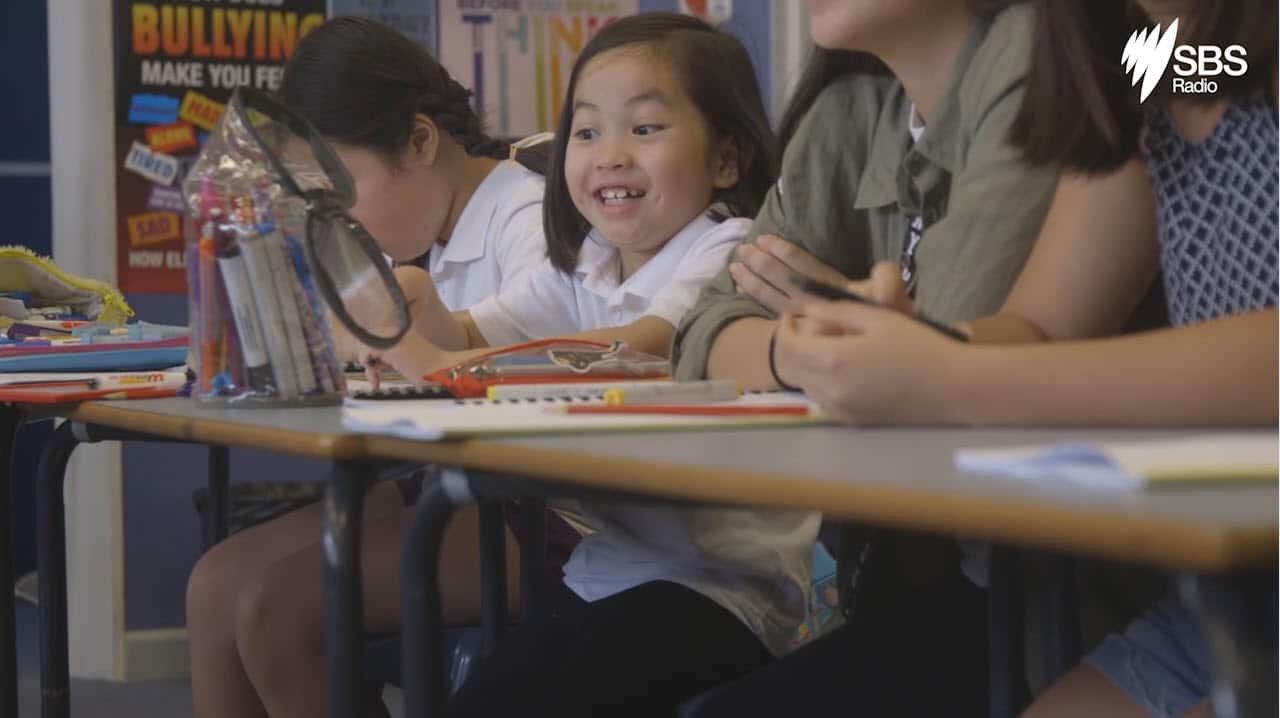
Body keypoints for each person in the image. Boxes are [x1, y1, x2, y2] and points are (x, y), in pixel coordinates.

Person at [763, 2, 1275, 717]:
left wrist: (949, 376)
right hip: (1228, 608)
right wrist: (891, 346)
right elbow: (1040, 325)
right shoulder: (1155, 64)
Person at [350, 13, 801, 717]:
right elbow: (473, 331)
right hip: (605, 572)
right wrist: (408, 300)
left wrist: (437, 361)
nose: (610, 155)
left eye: (645, 129)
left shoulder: (729, 250)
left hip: (723, 590)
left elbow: (632, 354)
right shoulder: (583, 264)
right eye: (587, 132)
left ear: (726, 160)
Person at [671, 0, 1058, 714]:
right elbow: (699, 337)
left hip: (1039, 600)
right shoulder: (850, 110)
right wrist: (799, 349)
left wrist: (821, 327)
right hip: (912, 575)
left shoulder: (1037, 53)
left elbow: (941, 351)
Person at [184, 17, 550, 718]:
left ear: (419, 141)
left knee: (274, 608)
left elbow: (493, 354)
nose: (335, 215)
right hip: (452, 491)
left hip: (543, 513)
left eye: (341, 187)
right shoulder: (429, 232)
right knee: (214, 583)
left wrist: (364, 332)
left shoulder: (524, 217)